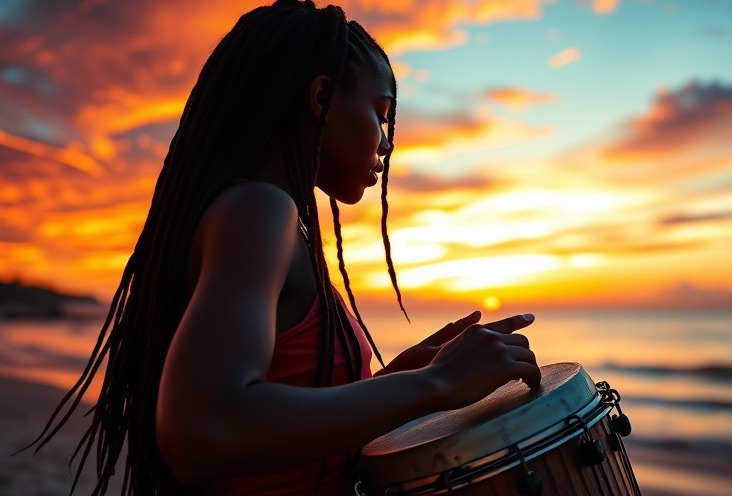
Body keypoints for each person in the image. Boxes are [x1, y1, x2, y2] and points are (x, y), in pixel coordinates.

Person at [27, 1, 540, 495]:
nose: (386, 142)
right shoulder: (259, 210)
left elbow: (278, 427)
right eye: (381, 114)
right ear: (320, 100)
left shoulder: (258, 215)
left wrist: (399, 379)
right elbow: (201, 431)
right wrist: (440, 384)